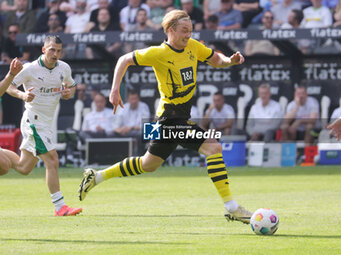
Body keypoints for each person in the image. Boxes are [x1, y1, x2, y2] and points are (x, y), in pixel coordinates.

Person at [78, 10, 253, 224]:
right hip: (170, 119)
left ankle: (95, 177)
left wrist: (230, 61)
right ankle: (231, 207)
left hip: (174, 119)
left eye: (190, 30)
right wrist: (115, 90)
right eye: (184, 31)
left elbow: (216, 59)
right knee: (213, 147)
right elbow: (124, 60)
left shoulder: (193, 47)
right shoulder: (158, 53)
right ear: (170, 30)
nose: (189, 35)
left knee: (148, 164)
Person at [5, 36, 82, 216]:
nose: (55, 54)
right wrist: (23, 96)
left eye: (58, 51)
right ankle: (60, 207)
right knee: (52, 160)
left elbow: (71, 87)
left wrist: (68, 93)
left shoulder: (64, 68)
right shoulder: (30, 69)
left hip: (46, 123)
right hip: (34, 120)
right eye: (52, 50)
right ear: (43, 50)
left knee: (24, 167)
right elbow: (9, 86)